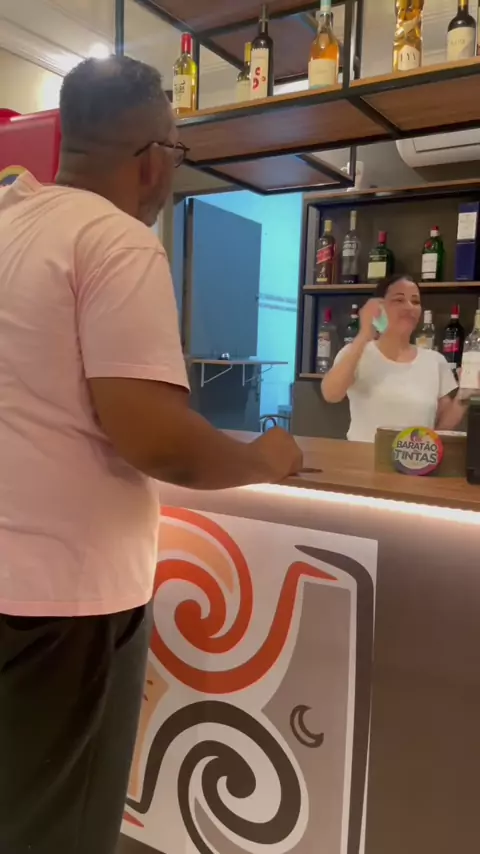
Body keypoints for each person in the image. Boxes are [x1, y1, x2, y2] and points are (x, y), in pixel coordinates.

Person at [0, 57, 303, 854]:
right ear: (153, 159)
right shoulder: (116, 241)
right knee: (58, 832)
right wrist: (265, 459)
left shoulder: (10, 224)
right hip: (66, 604)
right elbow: (158, 440)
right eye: (177, 151)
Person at [322, 275, 467, 442]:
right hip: (363, 456)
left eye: (415, 301)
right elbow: (331, 394)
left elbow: (441, 428)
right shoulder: (357, 353)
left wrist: (464, 395)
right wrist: (364, 335)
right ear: (379, 307)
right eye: (399, 300)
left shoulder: (435, 361)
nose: (409, 307)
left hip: (416, 457)